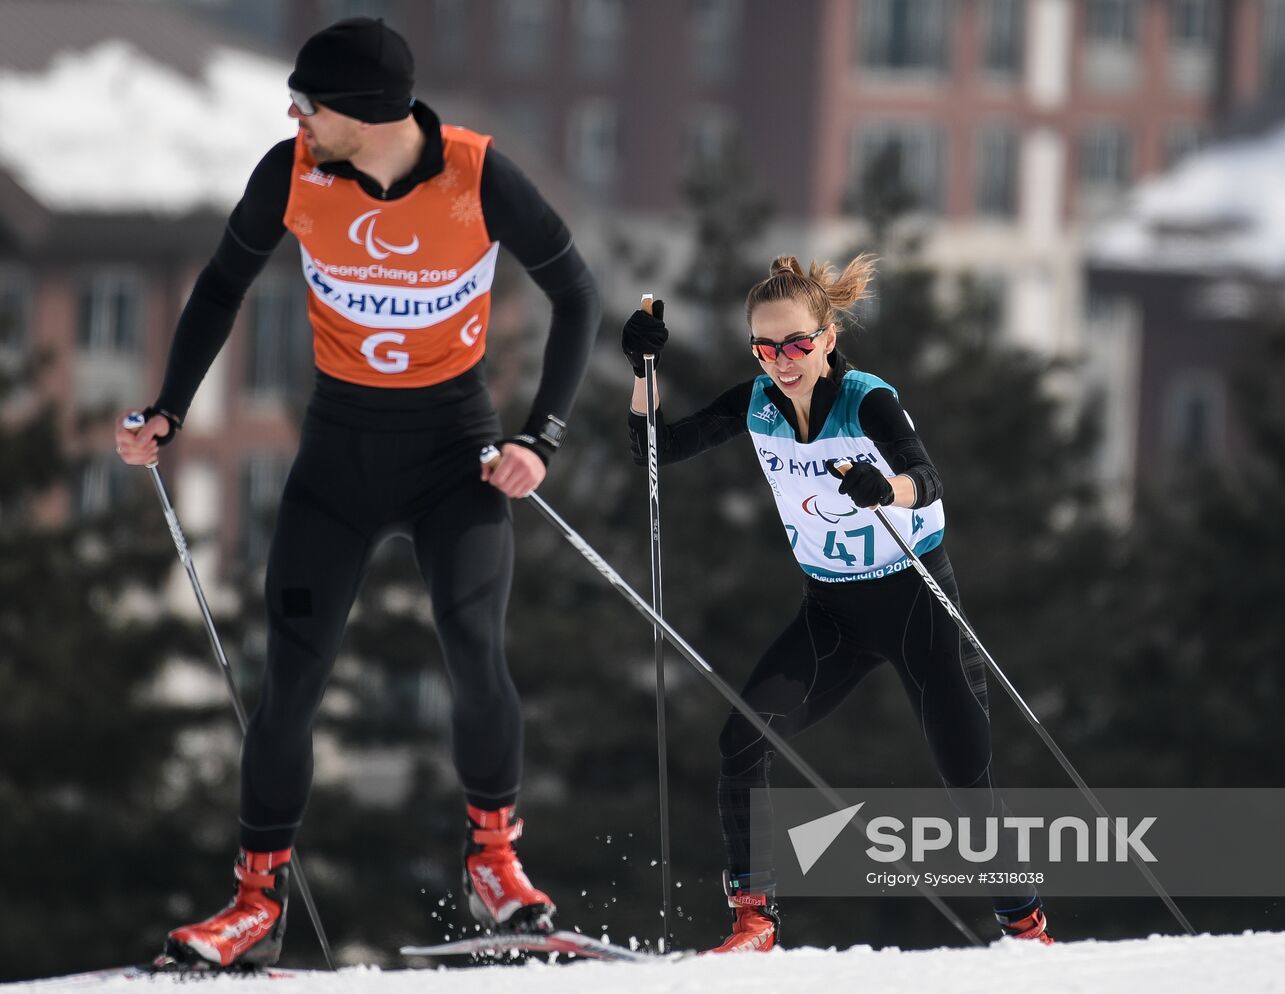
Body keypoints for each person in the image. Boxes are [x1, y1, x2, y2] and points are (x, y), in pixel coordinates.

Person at [114, 17, 599, 969]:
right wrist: (167, 408)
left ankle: (495, 861)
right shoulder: (292, 171)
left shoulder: (477, 173)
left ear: (364, 114)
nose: (294, 115)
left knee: (472, 643)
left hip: (453, 456)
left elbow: (577, 293)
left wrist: (539, 438)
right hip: (336, 459)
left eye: (310, 102)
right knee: (290, 679)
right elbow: (221, 284)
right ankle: (255, 902)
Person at [620, 256, 1051, 953]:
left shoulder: (865, 398)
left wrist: (886, 491)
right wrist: (643, 373)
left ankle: (1025, 927)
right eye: (766, 348)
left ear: (825, 336)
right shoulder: (756, 401)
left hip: (916, 606)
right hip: (833, 615)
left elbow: (926, 479)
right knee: (742, 739)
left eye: (795, 344)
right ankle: (754, 919)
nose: (782, 361)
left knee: (966, 781)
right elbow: (653, 449)